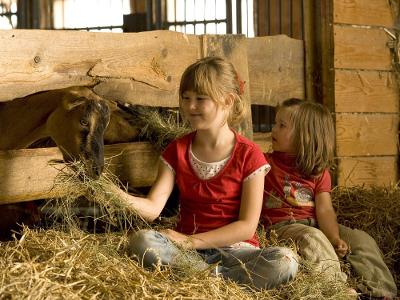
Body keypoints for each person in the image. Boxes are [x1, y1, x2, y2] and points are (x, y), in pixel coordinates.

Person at [111, 56, 298, 290]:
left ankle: (204, 280)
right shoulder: (176, 150)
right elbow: (152, 208)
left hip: (237, 252)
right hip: (188, 255)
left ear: (228, 101)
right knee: (142, 241)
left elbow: (247, 226)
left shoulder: (249, 155)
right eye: (186, 98)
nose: (190, 107)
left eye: (200, 99)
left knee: (285, 261)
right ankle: (225, 282)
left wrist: (191, 241)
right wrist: (111, 192)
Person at [261, 98, 397, 298]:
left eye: (282, 125)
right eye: (275, 123)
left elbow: (324, 210)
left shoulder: (318, 172)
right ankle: (338, 291)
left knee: (361, 239)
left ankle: (381, 291)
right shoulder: (265, 162)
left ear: (305, 136)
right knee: (313, 238)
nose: (273, 129)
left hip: (315, 223)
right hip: (282, 227)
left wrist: (334, 237)